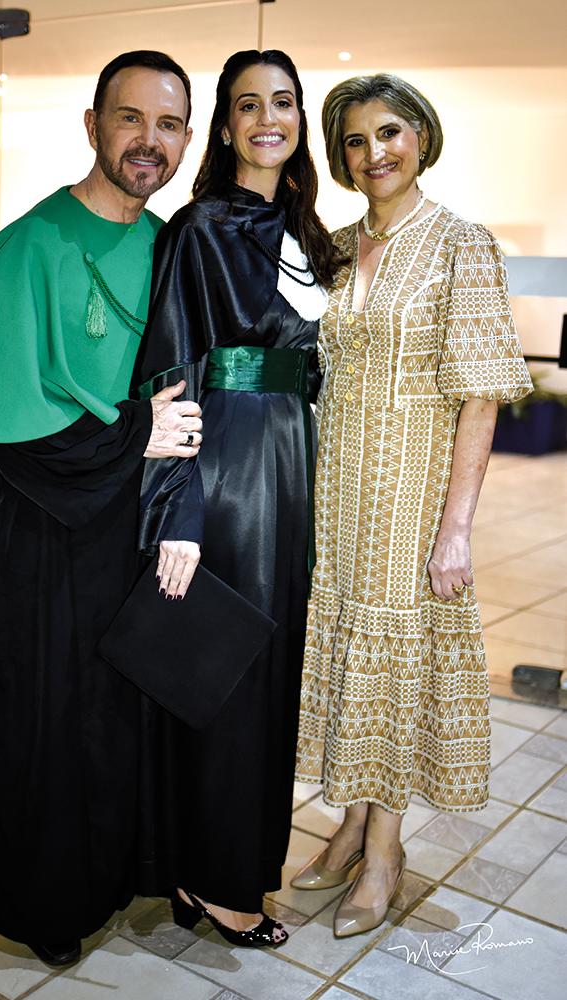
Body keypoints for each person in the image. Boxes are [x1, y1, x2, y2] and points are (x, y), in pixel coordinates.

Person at [0, 50, 200, 966]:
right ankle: (36, 901)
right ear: (93, 125)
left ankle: (114, 876)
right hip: (33, 541)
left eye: (168, 125)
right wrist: (133, 436)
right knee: (37, 717)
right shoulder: (28, 249)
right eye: (130, 119)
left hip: (121, 533)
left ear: (188, 139)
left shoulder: (167, 247)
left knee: (106, 716)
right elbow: (2, 432)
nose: (148, 142)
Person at [294, 73, 533, 938]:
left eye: (389, 133)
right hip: (338, 484)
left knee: (392, 667)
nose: (373, 154)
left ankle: (386, 852)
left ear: (422, 138)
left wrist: (456, 529)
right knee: (349, 648)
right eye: (354, 141)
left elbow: (480, 397)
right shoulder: (338, 243)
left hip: (412, 491)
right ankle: (349, 825)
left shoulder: (461, 244)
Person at [131, 49, 341, 948]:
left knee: (269, 672)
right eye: (247, 104)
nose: (268, 118)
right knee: (229, 673)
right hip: (233, 468)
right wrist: (177, 509)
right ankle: (216, 881)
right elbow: (171, 371)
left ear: (300, 120)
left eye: (283, 102)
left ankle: (224, 863)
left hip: (291, 462)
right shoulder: (201, 227)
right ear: (225, 126)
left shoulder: (310, 231)